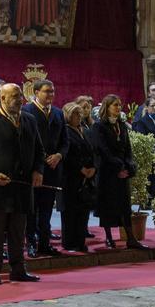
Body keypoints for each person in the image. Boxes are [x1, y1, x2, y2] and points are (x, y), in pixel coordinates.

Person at [0, 83, 43, 284]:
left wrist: (38, 170)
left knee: (18, 231)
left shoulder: (29, 119)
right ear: (2, 99)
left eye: (20, 95)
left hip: (21, 186)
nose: (19, 99)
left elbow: (39, 149)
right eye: (14, 96)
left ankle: (18, 269)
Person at [90, 94, 148, 250]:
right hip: (107, 172)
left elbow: (127, 148)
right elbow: (102, 149)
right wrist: (118, 166)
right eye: (115, 105)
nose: (118, 107)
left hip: (122, 172)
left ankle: (131, 238)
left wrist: (128, 166)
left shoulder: (121, 125)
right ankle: (109, 238)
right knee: (107, 206)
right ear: (107, 107)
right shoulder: (99, 126)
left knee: (124, 206)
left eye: (119, 105)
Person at [22, 79, 67, 257]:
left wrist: (59, 155)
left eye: (53, 91)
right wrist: (37, 163)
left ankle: (44, 243)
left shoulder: (57, 113)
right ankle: (31, 243)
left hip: (53, 167)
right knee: (32, 209)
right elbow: (25, 141)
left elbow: (65, 140)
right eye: (47, 91)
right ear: (36, 92)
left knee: (47, 208)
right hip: (34, 168)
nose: (50, 95)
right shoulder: (27, 111)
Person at [60, 102, 95, 253]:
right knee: (70, 212)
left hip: (86, 177)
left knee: (83, 211)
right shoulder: (65, 131)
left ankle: (80, 241)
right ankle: (70, 242)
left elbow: (92, 151)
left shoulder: (84, 130)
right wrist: (81, 169)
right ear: (68, 115)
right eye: (75, 114)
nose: (79, 116)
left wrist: (93, 168)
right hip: (70, 176)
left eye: (80, 114)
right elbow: (67, 155)